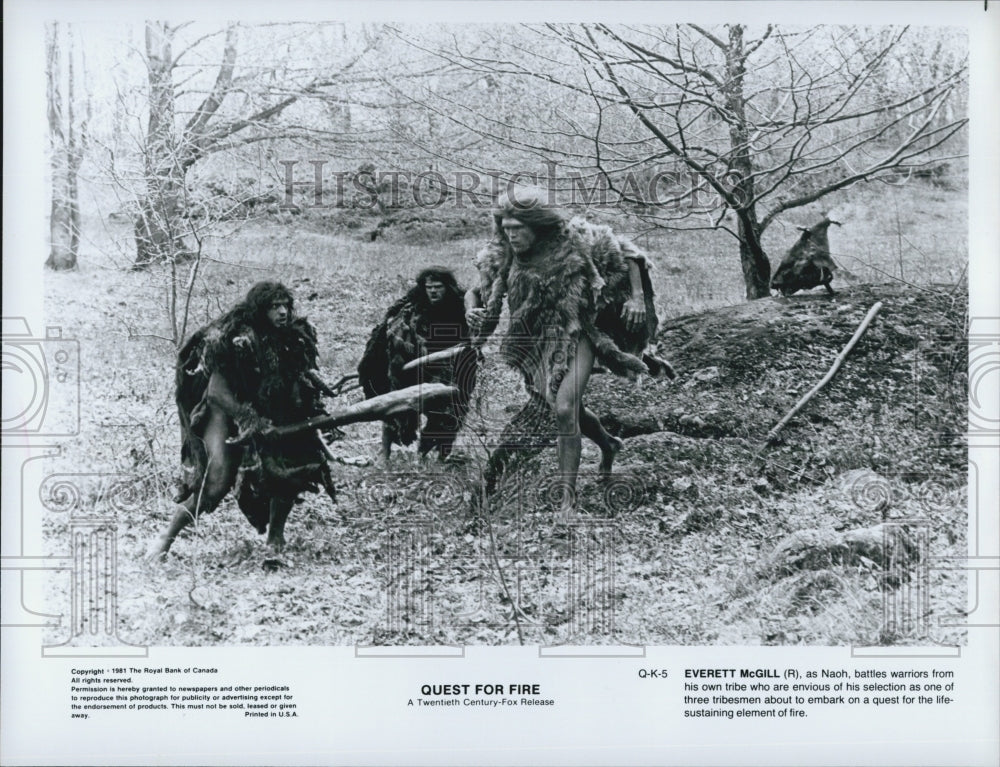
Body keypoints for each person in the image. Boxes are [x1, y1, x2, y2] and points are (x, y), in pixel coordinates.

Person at [465, 187, 671, 518]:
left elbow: (629, 253)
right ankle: (608, 444)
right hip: (533, 339)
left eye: (519, 228)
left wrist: (635, 298)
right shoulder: (500, 254)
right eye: (507, 229)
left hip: (579, 331)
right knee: (558, 402)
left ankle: (567, 502)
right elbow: (476, 291)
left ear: (537, 225)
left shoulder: (574, 239)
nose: (512, 235)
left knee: (564, 408)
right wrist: (472, 310)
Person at [148, 281, 336, 560]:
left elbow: (296, 380)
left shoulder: (293, 338)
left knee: (289, 462)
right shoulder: (236, 340)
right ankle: (166, 537)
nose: (282, 312)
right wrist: (251, 420)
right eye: (274, 307)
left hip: (268, 408)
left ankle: (275, 537)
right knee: (216, 483)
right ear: (260, 311)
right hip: (225, 409)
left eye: (285, 305)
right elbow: (216, 393)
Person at [358, 267, 478, 461]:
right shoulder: (412, 305)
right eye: (429, 287)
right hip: (410, 365)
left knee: (449, 409)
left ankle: (441, 454)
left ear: (448, 287)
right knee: (395, 404)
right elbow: (390, 332)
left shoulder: (459, 304)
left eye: (438, 287)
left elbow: (470, 337)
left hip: (447, 364)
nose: (433, 291)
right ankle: (385, 453)